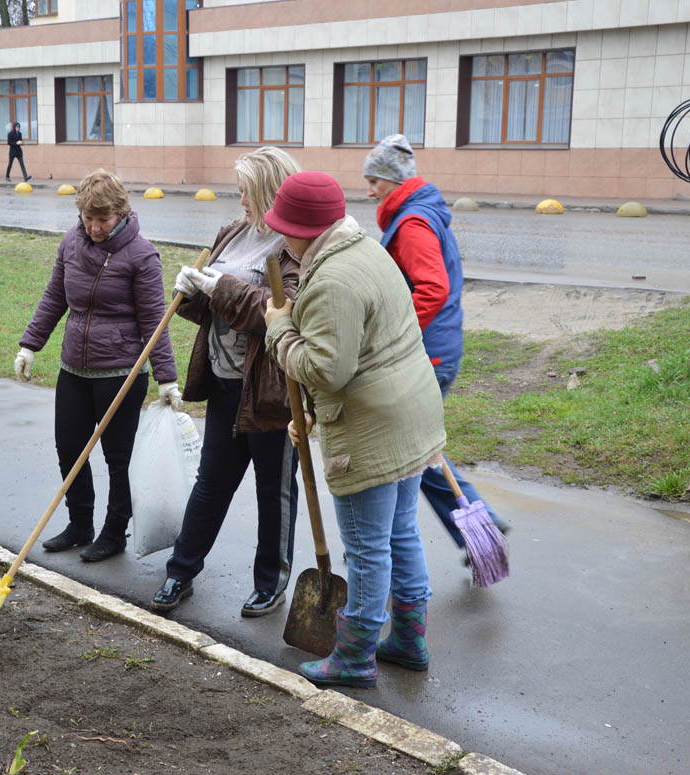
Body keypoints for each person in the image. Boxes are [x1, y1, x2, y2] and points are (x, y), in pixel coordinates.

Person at [262, 171, 445, 689]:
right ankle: (409, 640)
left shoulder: (333, 281)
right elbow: (358, 352)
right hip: (411, 416)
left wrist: (279, 325)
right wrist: (315, 416)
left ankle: (356, 654)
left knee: (366, 547)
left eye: (285, 228)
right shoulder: (366, 250)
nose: (281, 238)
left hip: (372, 431)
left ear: (306, 229)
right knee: (400, 531)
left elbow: (326, 369)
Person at [150, 146, 301, 618]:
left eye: (246, 193)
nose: (240, 203)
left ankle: (270, 583)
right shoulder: (234, 234)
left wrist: (222, 288)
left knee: (272, 492)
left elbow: (281, 312)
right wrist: (193, 293)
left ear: (268, 191)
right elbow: (212, 308)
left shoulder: (294, 247)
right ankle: (180, 570)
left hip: (272, 391)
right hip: (223, 383)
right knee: (211, 482)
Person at [15, 168, 181, 563]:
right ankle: (80, 524)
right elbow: (54, 297)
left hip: (121, 373)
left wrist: (167, 378)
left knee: (117, 458)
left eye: (102, 220)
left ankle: (113, 532)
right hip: (74, 367)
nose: (94, 227)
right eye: (88, 218)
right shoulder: (71, 243)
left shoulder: (142, 254)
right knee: (70, 447)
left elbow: (155, 321)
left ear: (121, 213)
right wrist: (30, 345)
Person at [361, 134, 511, 559]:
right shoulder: (418, 213)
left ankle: (476, 525)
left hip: (427, 355)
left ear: (392, 181)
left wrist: (393, 332)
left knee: (412, 455)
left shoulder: (411, 224)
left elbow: (432, 288)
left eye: (374, 181)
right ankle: (479, 526)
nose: (369, 190)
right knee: (415, 453)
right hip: (435, 349)